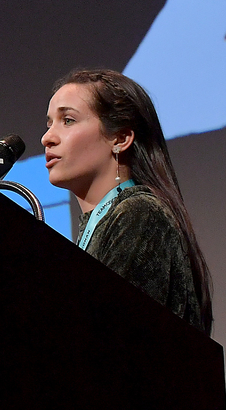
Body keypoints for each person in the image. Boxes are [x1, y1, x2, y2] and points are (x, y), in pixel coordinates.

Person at [42, 68, 212, 334]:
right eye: (49, 123)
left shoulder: (139, 213)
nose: (47, 137)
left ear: (120, 139)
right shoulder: (106, 222)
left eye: (68, 120)